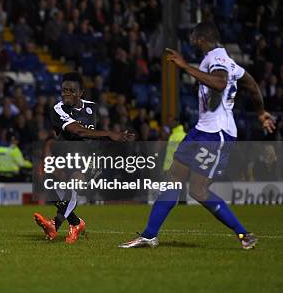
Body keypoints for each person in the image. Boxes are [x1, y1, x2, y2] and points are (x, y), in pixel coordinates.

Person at [119, 22, 276, 250]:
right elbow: (250, 83)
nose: (191, 41)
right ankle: (149, 235)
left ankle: (244, 234)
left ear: (201, 38)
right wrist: (261, 112)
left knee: (198, 190)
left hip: (216, 134)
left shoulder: (217, 58)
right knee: (172, 179)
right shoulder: (227, 60)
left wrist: (185, 66)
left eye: (193, 37)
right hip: (202, 129)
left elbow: (221, 83)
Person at [34, 72, 134, 244]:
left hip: (88, 157)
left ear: (80, 93)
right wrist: (110, 134)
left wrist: (111, 139)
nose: (66, 94)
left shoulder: (91, 108)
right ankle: (76, 223)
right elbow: (79, 131)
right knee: (52, 189)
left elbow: (93, 135)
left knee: (73, 183)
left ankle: (54, 225)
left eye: (71, 91)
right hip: (66, 156)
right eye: (64, 90)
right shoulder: (58, 109)